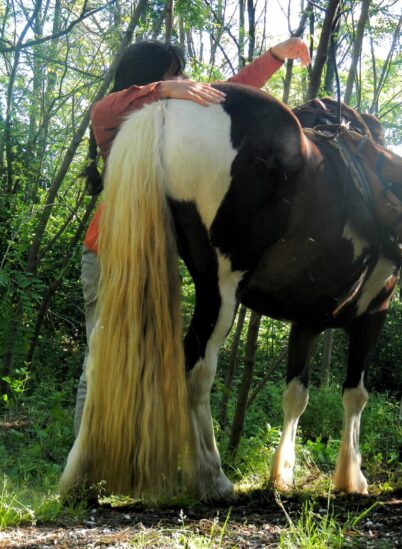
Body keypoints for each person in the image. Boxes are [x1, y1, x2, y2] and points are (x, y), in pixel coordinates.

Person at [74, 38, 311, 435]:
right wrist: (163, 90)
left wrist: (274, 57)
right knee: (100, 359)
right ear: (151, 79)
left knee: (147, 361)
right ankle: (83, 463)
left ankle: (128, 457)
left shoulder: (178, 120)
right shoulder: (116, 119)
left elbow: (232, 91)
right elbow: (103, 106)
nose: (184, 79)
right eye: (174, 73)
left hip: (155, 259)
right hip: (108, 255)